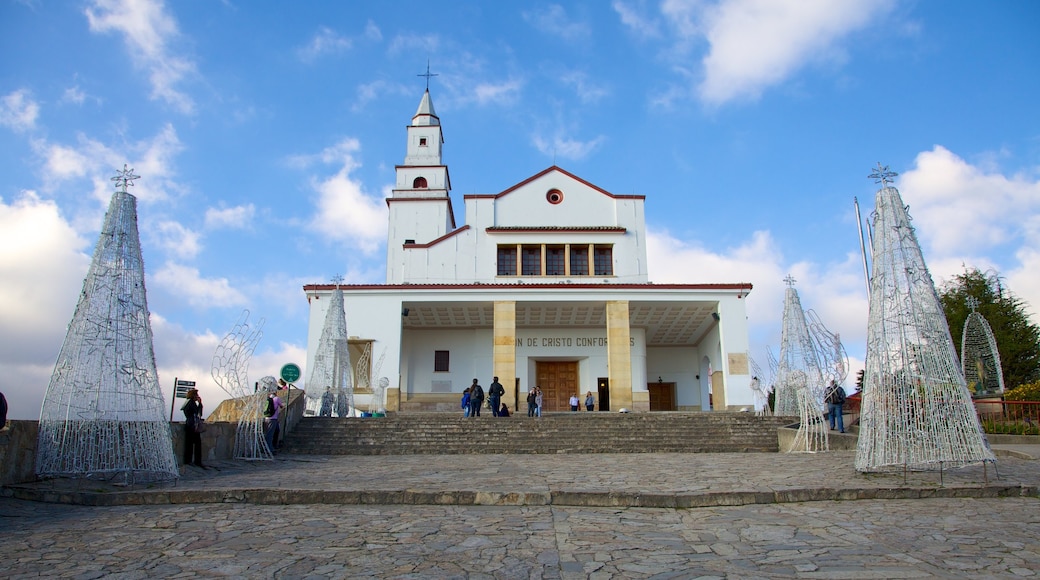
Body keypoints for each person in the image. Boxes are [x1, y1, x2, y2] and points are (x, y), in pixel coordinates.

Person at [181, 388, 204, 468]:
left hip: (191, 425)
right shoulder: (191, 403)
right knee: (194, 444)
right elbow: (198, 413)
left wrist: (199, 404)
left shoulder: (188, 403)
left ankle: (191, 461)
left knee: (191, 444)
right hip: (192, 426)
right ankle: (194, 461)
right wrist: (200, 403)